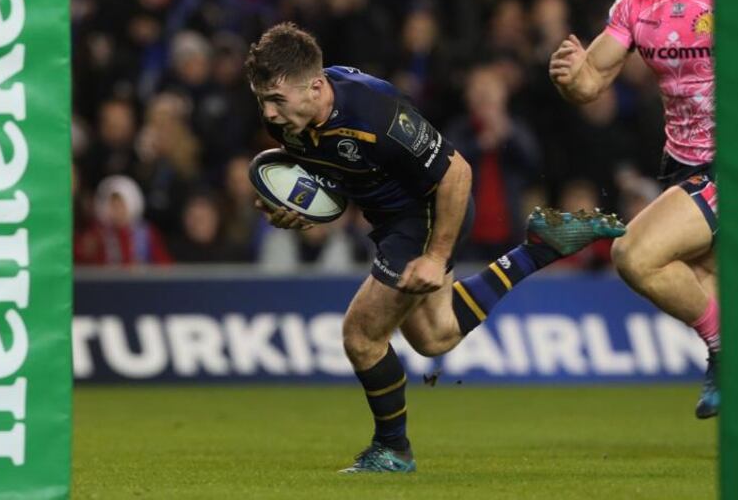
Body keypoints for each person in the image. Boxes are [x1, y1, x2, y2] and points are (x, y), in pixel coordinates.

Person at [246, 23, 625, 473]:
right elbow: (339, 174)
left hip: (428, 210)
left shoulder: (374, 111)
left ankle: (393, 450)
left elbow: (457, 173)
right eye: (262, 100)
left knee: (362, 337)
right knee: (434, 335)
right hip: (390, 220)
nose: (268, 114)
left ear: (314, 86)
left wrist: (436, 256)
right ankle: (537, 249)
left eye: (276, 100)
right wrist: (298, 208)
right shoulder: (291, 120)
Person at [549, 0, 719, 418]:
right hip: (680, 165)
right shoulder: (638, 2)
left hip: (736, 164)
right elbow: (591, 83)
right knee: (703, 280)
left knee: (634, 255)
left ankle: (726, 353)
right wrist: (568, 75)